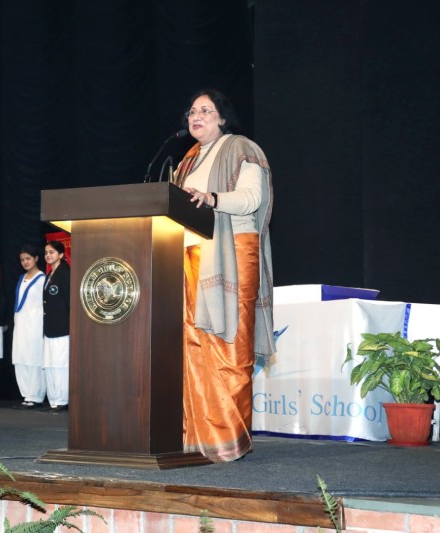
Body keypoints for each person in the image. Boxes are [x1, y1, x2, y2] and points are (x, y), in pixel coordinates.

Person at [171, 89, 274, 462]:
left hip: (232, 252)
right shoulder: (186, 161)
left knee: (229, 342)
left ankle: (228, 438)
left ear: (222, 117)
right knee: (193, 344)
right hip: (188, 256)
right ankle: (194, 438)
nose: (195, 116)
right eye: (192, 111)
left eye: (205, 110)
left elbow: (251, 199)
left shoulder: (241, 148)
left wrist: (212, 198)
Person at [11, 244, 46, 409]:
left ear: (36, 258)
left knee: (33, 358)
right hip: (21, 324)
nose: (25, 262)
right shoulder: (21, 278)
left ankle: (36, 395)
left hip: (35, 324)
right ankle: (26, 394)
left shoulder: (42, 279)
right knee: (20, 358)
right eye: (22, 260)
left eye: (28, 259)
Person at [42, 241, 70, 413]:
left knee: (61, 365)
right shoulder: (50, 275)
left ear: (61, 254)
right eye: (46, 252)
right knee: (51, 364)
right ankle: (54, 400)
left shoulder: (65, 274)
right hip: (50, 328)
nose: (48, 255)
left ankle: (63, 399)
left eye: (52, 252)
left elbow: (69, 302)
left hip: (62, 327)